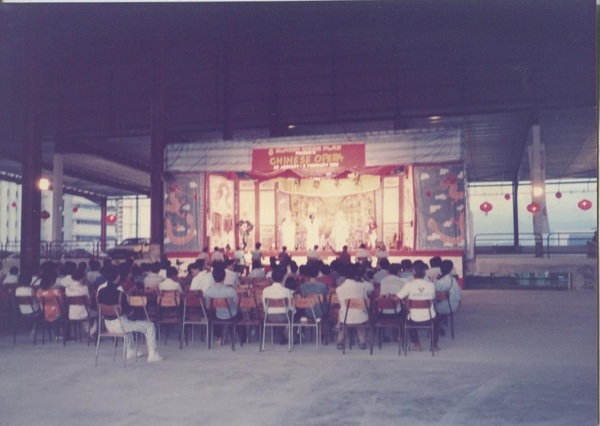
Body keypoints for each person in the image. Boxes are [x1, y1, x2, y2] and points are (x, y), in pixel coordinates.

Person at [97, 265, 162, 362]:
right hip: (121, 325)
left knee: (129, 324)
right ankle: (153, 354)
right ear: (118, 277)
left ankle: (130, 350)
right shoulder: (120, 293)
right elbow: (129, 312)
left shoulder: (100, 291)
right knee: (149, 326)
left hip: (108, 325)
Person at [396, 260, 440, 352]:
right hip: (429, 318)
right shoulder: (431, 285)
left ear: (413, 272)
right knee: (437, 321)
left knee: (408, 319)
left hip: (414, 319)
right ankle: (434, 345)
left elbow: (397, 298)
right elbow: (433, 298)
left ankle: (417, 344)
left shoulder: (409, 285)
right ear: (425, 273)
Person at [203, 265, 245, 345]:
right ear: (224, 277)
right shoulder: (230, 291)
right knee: (239, 313)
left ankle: (221, 336)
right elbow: (237, 304)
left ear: (213, 277)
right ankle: (242, 337)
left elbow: (208, 306)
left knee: (211, 315)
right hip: (232, 316)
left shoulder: (208, 291)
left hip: (217, 316)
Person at [335, 263, 372, 350]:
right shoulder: (362, 286)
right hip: (360, 317)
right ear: (356, 275)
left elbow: (341, 304)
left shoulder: (339, 289)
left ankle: (340, 342)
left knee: (343, 321)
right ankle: (362, 342)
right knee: (360, 321)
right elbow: (365, 302)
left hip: (345, 317)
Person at [262, 267, 295, 345]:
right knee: (291, 312)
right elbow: (291, 306)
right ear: (283, 278)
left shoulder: (265, 290)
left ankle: (280, 337)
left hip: (269, 317)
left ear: (272, 278)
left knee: (277, 314)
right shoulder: (287, 291)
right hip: (284, 317)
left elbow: (264, 307)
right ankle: (292, 337)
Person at [66, 268, 97, 337]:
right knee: (97, 315)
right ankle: (91, 332)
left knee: (85, 314)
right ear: (83, 277)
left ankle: (90, 333)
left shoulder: (67, 288)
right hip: (83, 313)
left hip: (71, 313)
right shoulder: (84, 288)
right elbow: (89, 302)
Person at [434, 259, 461, 335]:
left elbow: (433, 288)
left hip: (447, 306)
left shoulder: (442, 281)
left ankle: (437, 327)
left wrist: (434, 279)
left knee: (430, 306)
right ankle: (440, 321)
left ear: (440, 269)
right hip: (453, 305)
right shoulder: (452, 278)